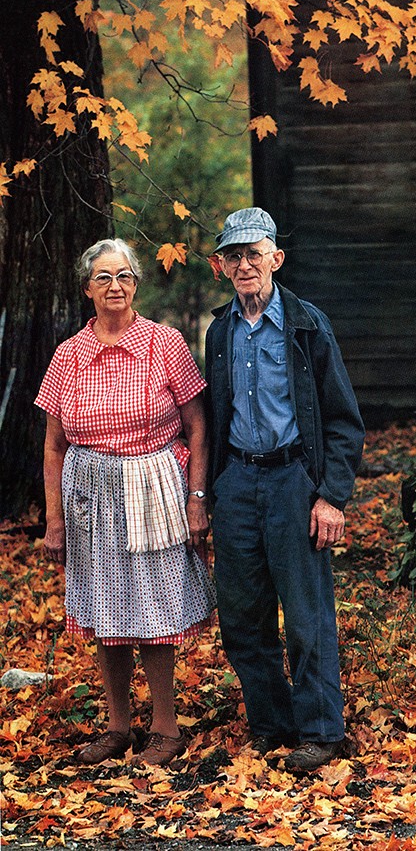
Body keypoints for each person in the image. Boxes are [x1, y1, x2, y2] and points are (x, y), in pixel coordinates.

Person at [35, 238, 217, 767]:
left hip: (153, 486)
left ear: (136, 284)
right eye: (103, 277)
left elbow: (197, 425)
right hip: (90, 496)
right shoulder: (69, 354)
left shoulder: (165, 343)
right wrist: (53, 518)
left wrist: (197, 498)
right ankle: (118, 727)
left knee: (153, 609)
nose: (115, 286)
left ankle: (165, 727)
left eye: (124, 276)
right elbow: (52, 444)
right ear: (87, 288)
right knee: (104, 607)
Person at [205, 207, 365, 773]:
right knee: (243, 616)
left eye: (255, 253)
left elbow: (345, 420)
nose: (245, 265)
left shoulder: (306, 324)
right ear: (221, 266)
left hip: (293, 481)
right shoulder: (220, 331)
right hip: (238, 483)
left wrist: (332, 496)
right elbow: (215, 415)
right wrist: (213, 490)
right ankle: (271, 726)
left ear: (276, 258)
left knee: (305, 613)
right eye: (234, 255)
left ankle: (322, 731)